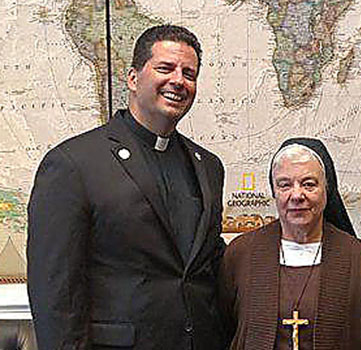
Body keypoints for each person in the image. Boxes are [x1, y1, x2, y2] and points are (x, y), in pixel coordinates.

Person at [27, 25, 226, 350]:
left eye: (189, 73)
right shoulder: (73, 164)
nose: (179, 80)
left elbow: (207, 271)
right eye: (165, 68)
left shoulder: (208, 166)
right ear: (133, 78)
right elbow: (56, 294)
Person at [219, 138, 361, 350]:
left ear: (327, 190)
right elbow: (222, 331)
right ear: (274, 191)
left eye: (309, 184)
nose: (297, 195)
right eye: (285, 185)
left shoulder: (358, 258)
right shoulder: (240, 254)